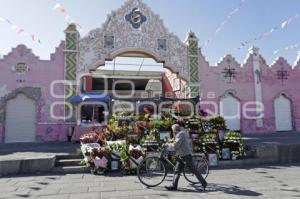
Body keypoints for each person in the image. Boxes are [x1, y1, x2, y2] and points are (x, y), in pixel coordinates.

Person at [165, 124, 207, 191]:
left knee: (194, 170)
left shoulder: (181, 134)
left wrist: (168, 145)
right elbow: (175, 142)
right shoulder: (178, 134)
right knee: (177, 171)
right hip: (181, 156)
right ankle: (174, 186)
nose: (172, 131)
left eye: (172, 129)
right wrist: (169, 142)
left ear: (175, 129)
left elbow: (176, 145)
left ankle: (204, 183)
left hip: (186, 155)